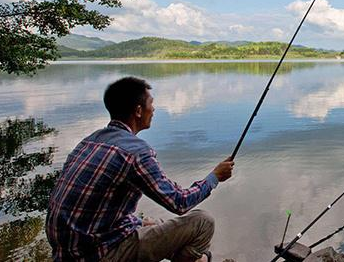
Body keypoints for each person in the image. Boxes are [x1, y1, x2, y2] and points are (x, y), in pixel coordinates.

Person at [46, 76, 234, 262]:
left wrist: (139, 222)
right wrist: (215, 176)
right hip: (98, 254)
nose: (154, 109)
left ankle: (198, 259)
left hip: (67, 252)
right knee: (203, 222)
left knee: (153, 222)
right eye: (151, 104)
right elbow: (180, 202)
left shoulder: (89, 141)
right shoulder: (135, 152)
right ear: (138, 110)